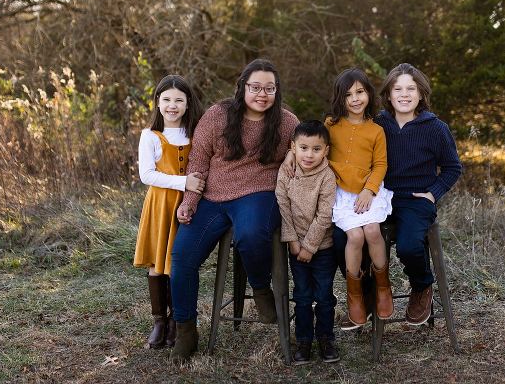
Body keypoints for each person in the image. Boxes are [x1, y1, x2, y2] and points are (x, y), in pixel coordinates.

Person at [169, 59, 299, 363]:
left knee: (251, 235)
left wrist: (294, 155)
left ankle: (261, 289)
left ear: (276, 91)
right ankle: (186, 330)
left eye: (269, 88)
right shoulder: (218, 116)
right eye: (256, 87)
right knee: (182, 256)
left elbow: (306, 150)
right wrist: (189, 201)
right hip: (213, 198)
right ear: (242, 87)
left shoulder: (287, 122)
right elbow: (198, 162)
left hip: (259, 193)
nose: (262, 94)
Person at [374, 63, 462, 324]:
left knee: (410, 245)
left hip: (416, 199)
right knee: (349, 240)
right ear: (388, 95)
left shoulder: (435, 128)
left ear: (421, 94)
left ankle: (422, 285)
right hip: (382, 198)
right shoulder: (378, 125)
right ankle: (374, 292)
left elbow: (452, 167)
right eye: (397, 89)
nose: (404, 94)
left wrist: (433, 194)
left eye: (411, 88)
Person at [133, 75, 204, 349]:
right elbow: (146, 174)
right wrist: (183, 181)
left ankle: (177, 320)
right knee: (156, 264)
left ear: (187, 104)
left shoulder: (194, 133)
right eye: (166, 100)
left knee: (178, 262)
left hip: (187, 206)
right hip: (160, 205)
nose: (172, 105)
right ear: (157, 103)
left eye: (178, 100)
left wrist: (190, 189)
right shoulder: (150, 135)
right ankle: (159, 321)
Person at [326, 68, 394, 327]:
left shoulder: (375, 130)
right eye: (348, 94)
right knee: (354, 236)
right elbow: (316, 149)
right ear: (339, 98)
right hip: (342, 193)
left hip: (369, 190)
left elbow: (380, 164)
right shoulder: (331, 125)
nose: (355, 99)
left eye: (360, 92)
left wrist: (369, 190)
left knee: (373, 231)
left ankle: (382, 286)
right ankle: (354, 295)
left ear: (368, 94)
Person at [276, 120, 339, 365]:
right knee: (302, 296)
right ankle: (303, 340)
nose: (309, 154)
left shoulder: (327, 176)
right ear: (293, 147)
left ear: (326, 151)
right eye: (303, 148)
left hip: (323, 248)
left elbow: (325, 215)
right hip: (295, 247)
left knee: (323, 296)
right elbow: (283, 205)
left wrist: (309, 247)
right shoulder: (287, 171)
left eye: (316, 149)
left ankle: (325, 338)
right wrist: (292, 241)